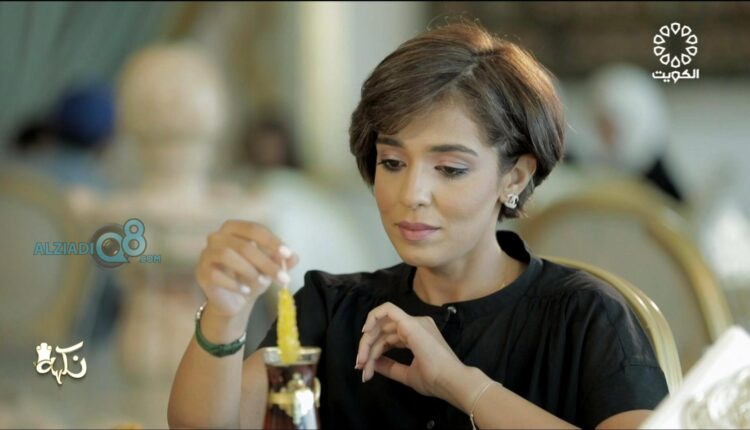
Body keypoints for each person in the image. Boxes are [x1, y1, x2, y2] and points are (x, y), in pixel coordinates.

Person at [168, 22, 668, 429]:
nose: (411, 194)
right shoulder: (332, 310)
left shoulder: (586, 318)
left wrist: (460, 384)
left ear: (514, 177)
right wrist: (225, 314)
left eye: (449, 169)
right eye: (392, 163)